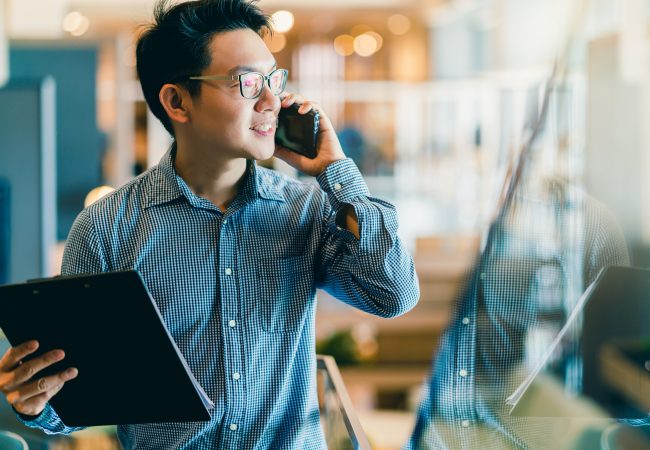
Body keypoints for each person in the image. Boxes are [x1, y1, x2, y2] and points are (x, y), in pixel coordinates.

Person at [0, 1, 419, 448]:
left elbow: (393, 295)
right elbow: (81, 397)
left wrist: (337, 171)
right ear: (177, 101)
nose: (272, 101)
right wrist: (39, 403)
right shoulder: (107, 227)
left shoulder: (306, 210)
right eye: (248, 82)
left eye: (273, 80)